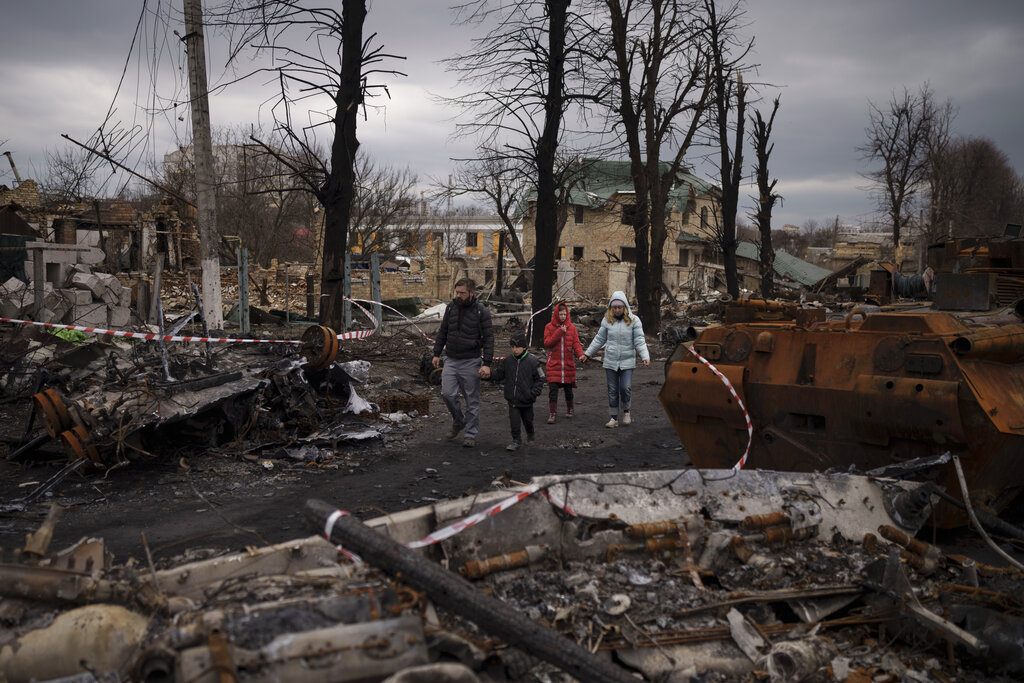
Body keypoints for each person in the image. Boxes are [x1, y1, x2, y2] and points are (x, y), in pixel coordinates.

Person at [432, 278, 494, 447]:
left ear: (472, 293)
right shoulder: (451, 308)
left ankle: (470, 434)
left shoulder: (482, 311)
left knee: (472, 400)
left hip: (471, 361)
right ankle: (459, 421)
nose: (458, 295)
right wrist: (436, 353)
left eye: (462, 293)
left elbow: (489, 339)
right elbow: (443, 331)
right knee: (447, 394)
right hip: (450, 359)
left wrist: (486, 363)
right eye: (457, 292)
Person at [582, 291, 650, 428]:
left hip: (627, 361)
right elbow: (599, 339)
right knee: (612, 390)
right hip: (611, 361)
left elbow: (639, 340)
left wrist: (645, 356)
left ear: (625, 307)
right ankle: (613, 418)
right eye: (615, 307)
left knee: (625, 387)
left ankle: (626, 411)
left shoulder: (634, 321)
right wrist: (587, 353)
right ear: (611, 308)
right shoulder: (607, 320)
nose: (617, 310)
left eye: (620, 307)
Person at [491, 333, 545, 451]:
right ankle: (516, 440)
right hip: (512, 399)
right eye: (512, 347)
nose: (514, 350)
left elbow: (541, 378)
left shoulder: (532, 361)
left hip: (527, 400)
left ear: (524, 347)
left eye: (517, 347)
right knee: (514, 422)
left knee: (528, 421)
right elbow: (499, 374)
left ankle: (530, 435)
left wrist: (534, 392)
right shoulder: (508, 361)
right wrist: (488, 374)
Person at [543, 302, 585, 423]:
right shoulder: (549, 327)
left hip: (567, 365)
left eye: (564, 314)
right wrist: (559, 332)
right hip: (554, 365)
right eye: (560, 314)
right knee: (553, 390)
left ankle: (570, 409)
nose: (562, 317)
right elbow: (547, 343)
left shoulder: (572, 328)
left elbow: (576, 343)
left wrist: (581, 355)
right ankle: (552, 413)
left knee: (568, 389)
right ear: (556, 314)